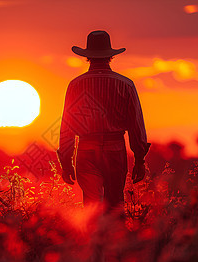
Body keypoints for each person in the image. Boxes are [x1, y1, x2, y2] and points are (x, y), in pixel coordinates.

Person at [57, 30, 150, 214]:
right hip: (115, 148)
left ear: (87, 57)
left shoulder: (75, 85)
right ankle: (115, 241)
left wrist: (66, 162)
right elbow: (136, 124)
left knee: (92, 208)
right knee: (115, 205)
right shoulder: (126, 84)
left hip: (86, 148)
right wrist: (139, 160)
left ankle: (94, 241)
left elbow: (67, 127)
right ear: (111, 56)